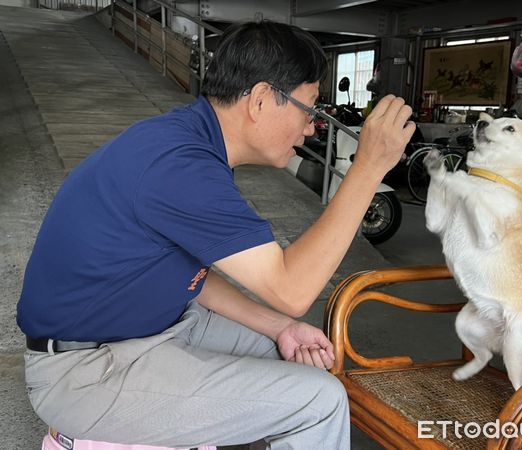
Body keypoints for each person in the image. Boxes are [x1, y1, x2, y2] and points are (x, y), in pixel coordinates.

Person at [17, 20, 415, 449]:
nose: (311, 128)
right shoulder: (182, 166)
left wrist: (281, 327)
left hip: (152, 328)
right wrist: (369, 167)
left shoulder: (187, 141)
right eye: (311, 109)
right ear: (262, 100)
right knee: (318, 401)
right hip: (87, 370)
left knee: (296, 360)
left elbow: (193, 280)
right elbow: (292, 288)